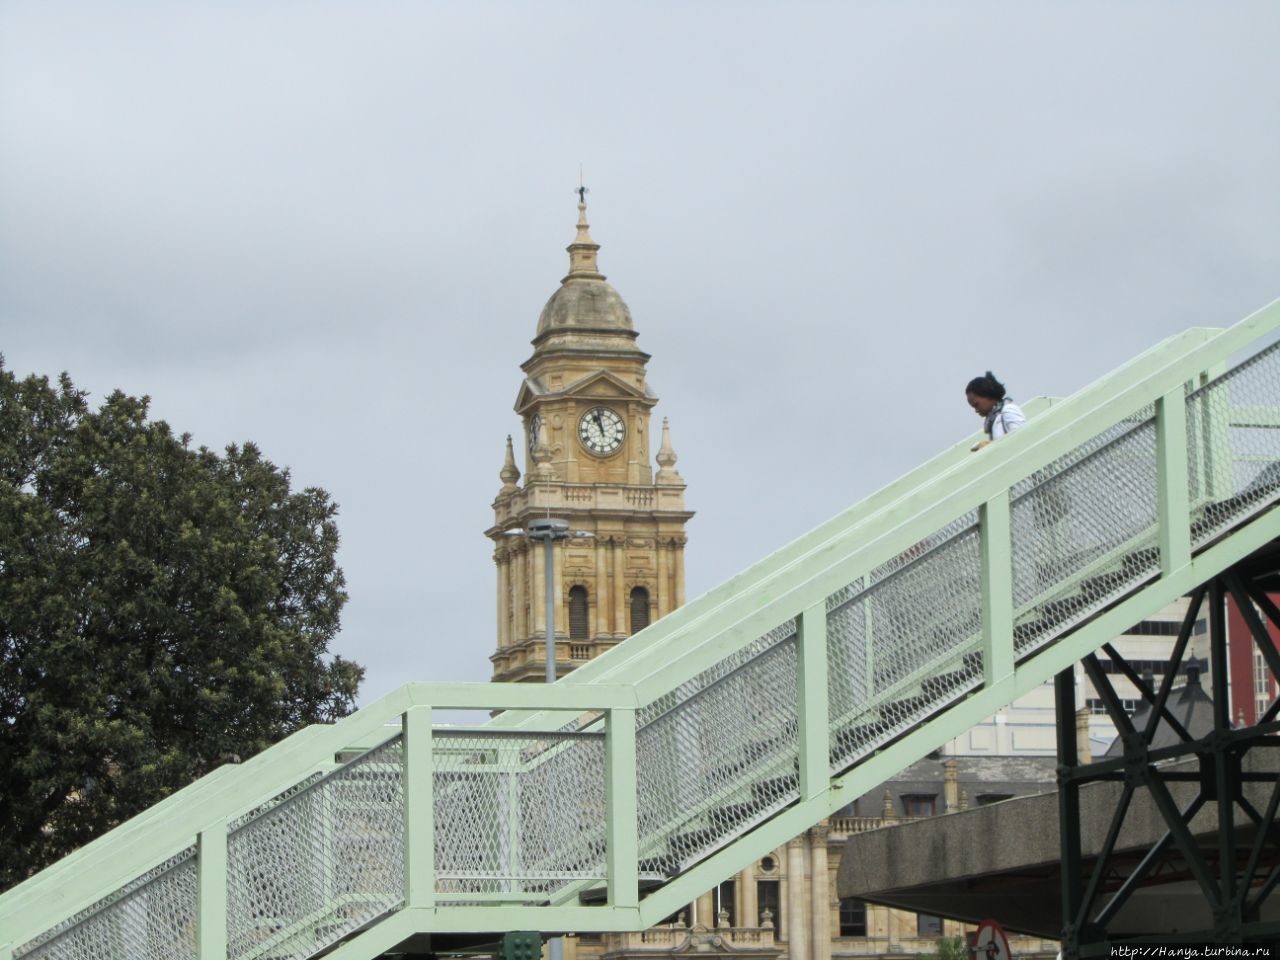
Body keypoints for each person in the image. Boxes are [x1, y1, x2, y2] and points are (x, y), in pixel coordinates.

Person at [966, 371, 1025, 451]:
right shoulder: (993, 420)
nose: (976, 410)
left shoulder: (1008, 410)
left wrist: (991, 445)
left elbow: (1022, 438)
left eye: (976, 405)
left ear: (987, 395)